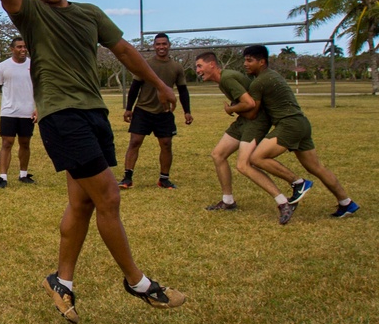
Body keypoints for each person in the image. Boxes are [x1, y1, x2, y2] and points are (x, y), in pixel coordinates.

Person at [0, 0, 185, 323]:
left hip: (93, 114)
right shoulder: (33, 15)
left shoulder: (90, 13)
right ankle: (138, 283)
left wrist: (159, 85)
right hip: (63, 116)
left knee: (82, 204)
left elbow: (125, 52)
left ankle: (63, 282)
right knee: (110, 196)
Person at [240, 44, 359, 223]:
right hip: (302, 124)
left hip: (289, 125)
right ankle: (346, 202)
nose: (245, 64)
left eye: (249, 60)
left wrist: (232, 108)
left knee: (257, 158)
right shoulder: (273, 76)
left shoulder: (260, 82)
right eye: (245, 60)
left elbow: (252, 112)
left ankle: (298, 183)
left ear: (262, 62)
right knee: (316, 167)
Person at [193, 51, 271, 211]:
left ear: (212, 65)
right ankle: (228, 201)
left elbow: (249, 103)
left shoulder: (227, 78)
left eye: (200, 66)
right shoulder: (223, 80)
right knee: (218, 154)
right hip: (244, 120)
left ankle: (285, 197)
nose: (198, 70)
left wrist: (230, 109)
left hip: (255, 121)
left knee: (244, 165)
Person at [118, 33, 192, 190]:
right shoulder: (145, 64)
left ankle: (164, 179)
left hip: (164, 113)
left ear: (169, 45)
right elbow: (134, 87)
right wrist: (129, 108)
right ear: (154, 46)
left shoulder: (176, 67)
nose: (161, 47)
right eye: (158, 44)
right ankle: (127, 178)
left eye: (164, 44)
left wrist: (187, 111)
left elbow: (183, 90)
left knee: (166, 144)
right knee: (135, 142)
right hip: (143, 110)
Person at [0, 37, 37, 187]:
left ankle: (23, 175)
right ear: (12, 49)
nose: (23, 49)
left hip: (27, 112)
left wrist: (38, 108)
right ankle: (3, 177)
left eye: (24, 47)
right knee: (7, 143)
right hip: (8, 112)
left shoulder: (34, 65)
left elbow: (41, 88)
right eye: (19, 47)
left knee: (25, 143)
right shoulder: (3, 66)